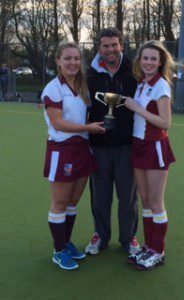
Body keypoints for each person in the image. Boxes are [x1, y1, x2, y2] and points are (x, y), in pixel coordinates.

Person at [41, 42, 105, 270]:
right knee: (60, 203)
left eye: (76, 58)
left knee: (73, 202)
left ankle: (66, 244)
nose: (72, 63)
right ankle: (58, 251)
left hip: (82, 149)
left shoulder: (83, 85)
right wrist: (88, 128)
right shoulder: (53, 88)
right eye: (67, 58)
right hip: (63, 150)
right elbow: (58, 123)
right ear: (58, 61)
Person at [85, 27, 140, 255]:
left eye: (114, 45)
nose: (110, 49)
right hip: (99, 146)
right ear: (100, 48)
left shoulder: (134, 70)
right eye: (105, 46)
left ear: (121, 46)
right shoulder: (90, 74)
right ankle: (101, 235)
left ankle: (129, 239)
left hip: (127, 145)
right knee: (100, 198)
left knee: (127, 198)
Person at [125, 40, 176, 270]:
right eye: (145, 58)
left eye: (153, 58)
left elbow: (165, 122)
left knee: (156, 202)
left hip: (155, 146)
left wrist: (137, 109)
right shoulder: (142, 83)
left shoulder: (161, 86)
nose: (148, 62)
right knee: (145, 201)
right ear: (140, 60)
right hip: (139, 146)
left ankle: (159, 251)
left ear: (160, 62)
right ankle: (148, 247)